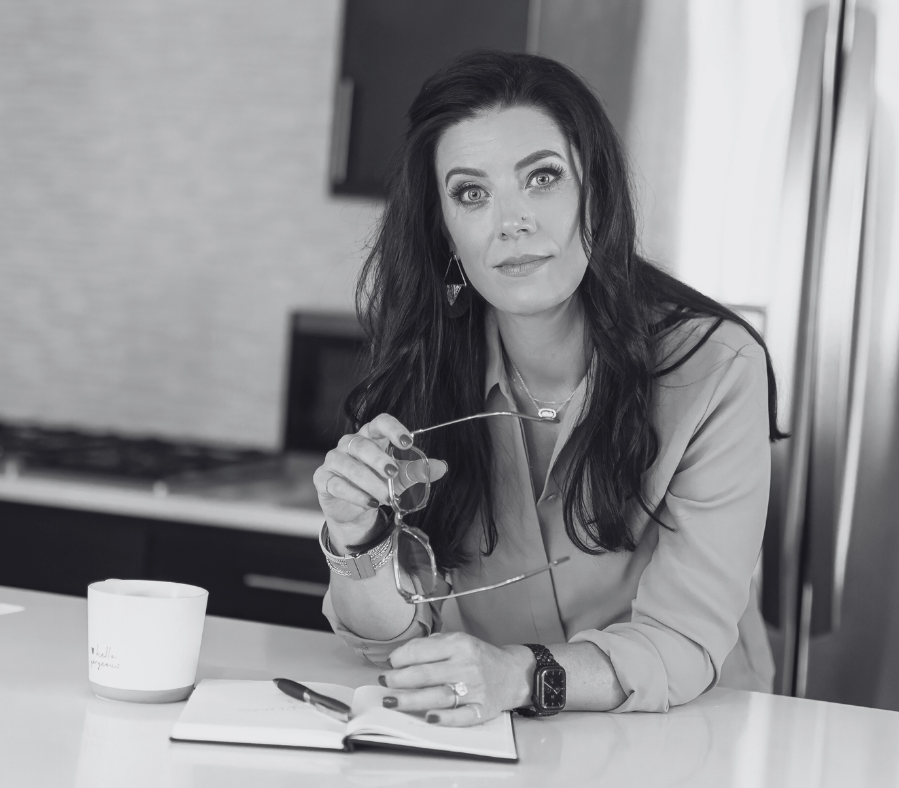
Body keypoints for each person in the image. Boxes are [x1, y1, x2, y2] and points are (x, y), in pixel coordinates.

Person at [312, 50, 785, 726]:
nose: (512, 221)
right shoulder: (423, 364)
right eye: (471, 193)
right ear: (445, 228)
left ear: (596, 192)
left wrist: (522, 674)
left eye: (542, 178)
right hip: (502, 738)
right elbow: (390, 641)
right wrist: (356, 538)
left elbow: (680, 641)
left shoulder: (715, 368)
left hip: (689, 734)